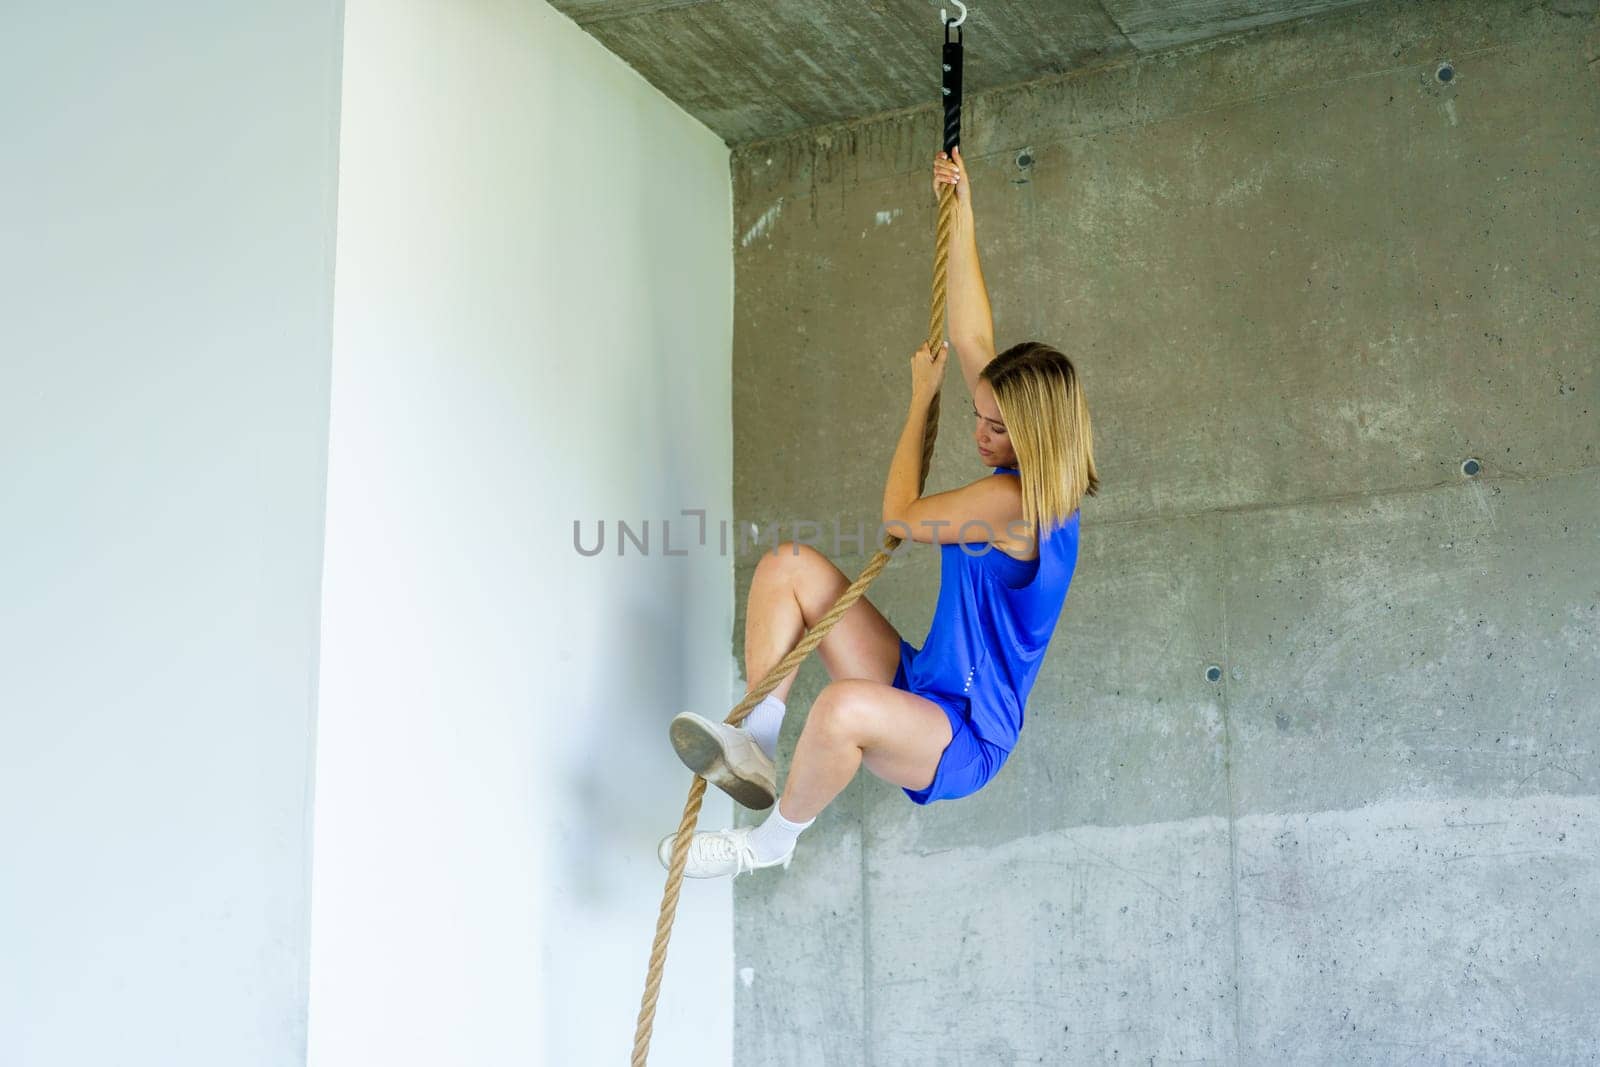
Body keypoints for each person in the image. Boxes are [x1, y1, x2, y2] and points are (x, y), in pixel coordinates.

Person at [659, 146, 1099, 879]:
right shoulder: (1018, 464)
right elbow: (972, 338)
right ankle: (756, 746)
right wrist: (961, 207)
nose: (977, 431)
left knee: (841, 710)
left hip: (960, 737)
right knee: (787, 569)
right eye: (978, 414)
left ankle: (766, 846)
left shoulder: (1013, 504)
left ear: (1032, 437)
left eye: (992, 427)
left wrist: (921, 399)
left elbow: (899, 514)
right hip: (922, 681)